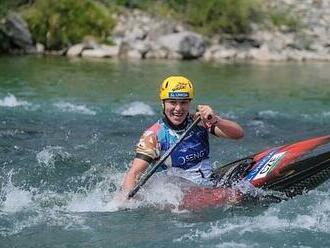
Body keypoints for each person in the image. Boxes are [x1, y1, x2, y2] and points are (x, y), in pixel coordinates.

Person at [121, 75, 244, 197]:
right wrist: (125, 200)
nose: (178, 108)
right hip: (180, 196)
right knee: (235, 196)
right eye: (172, 102)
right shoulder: (153, 136)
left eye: (184, 103)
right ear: (163, 103)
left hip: (208, 184)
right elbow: (134, 173)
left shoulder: (199, 121)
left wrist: (215, 119)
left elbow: (238, 134)